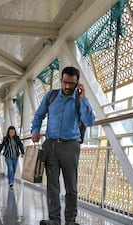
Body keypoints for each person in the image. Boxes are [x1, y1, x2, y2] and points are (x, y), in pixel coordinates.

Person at [31, 66, 95, 225]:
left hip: (70, 147)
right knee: (52, 186)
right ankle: (54, 220)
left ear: (77, 84)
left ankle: (71, 220)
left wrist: (84, 98)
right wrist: (35, 130)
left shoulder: (79, 101)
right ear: (61, 80)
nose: (67, 86)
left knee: (71, 187)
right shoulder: (51, 96)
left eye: (71, 84)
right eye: (65, 82)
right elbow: (38, 115)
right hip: (50, 146)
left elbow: (89, 121)